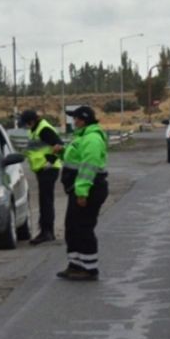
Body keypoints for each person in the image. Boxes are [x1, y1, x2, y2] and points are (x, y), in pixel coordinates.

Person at [57, 106, 108, 281]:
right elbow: (76, 159)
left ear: (83, 120)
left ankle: (89, 268)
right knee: (72, 227)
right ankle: (75, 265)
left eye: (75, 118)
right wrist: (61, 153)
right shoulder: (82, 136)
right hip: (78, 190)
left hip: (89, 190)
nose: (73, 121)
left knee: (83, 228)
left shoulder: (92, 139)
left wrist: (82, 192)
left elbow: (88, 167)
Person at [20, 109, 64, 245]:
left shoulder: (43, 129)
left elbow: (59, 145)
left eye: (26, 123)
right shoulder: (34, 130)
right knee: (44, 200)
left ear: (31, 121)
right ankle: (45, 231)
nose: (25, 126)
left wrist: (48, 162)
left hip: (48, 169)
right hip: (41, 170)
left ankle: (47, 232)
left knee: (46, 201)